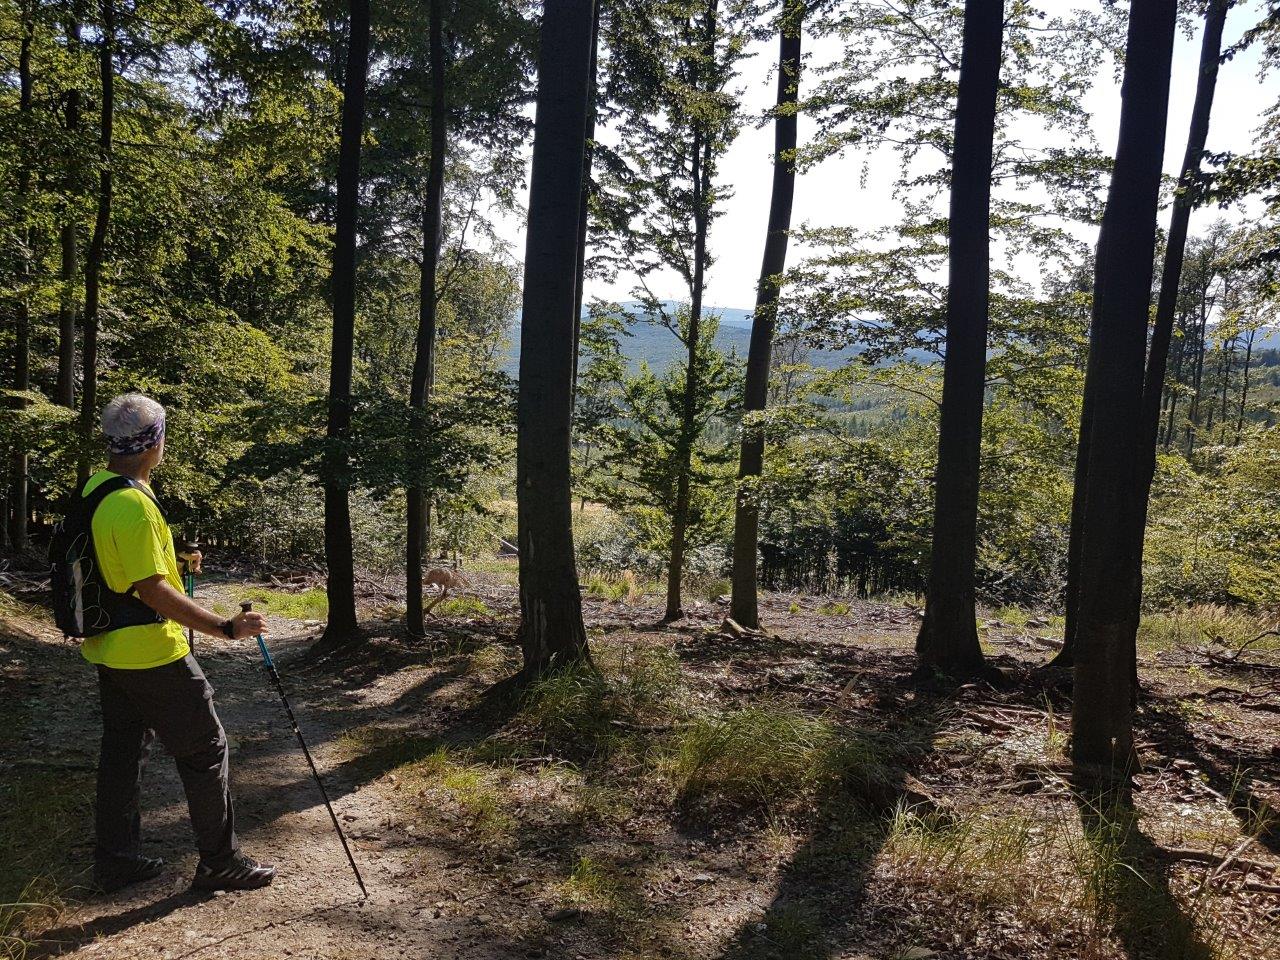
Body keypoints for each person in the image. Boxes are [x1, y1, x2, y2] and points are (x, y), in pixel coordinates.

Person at [83, 392, 275, 893]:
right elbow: (153, 591)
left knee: (122, 754)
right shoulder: (133, 505)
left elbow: (126, 569)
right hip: (152, 652)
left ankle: (116, 860)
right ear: (154, 442)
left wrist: (175, 555)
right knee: (206, 748)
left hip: (110, 650)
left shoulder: (98, 490)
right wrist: (225, 628)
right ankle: (219, 861)